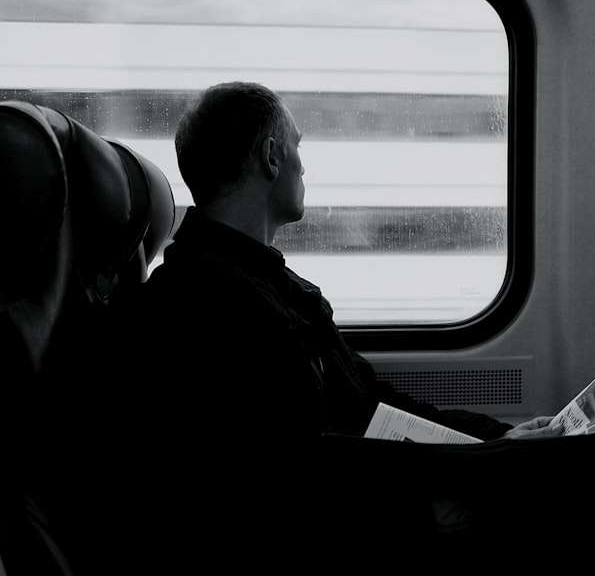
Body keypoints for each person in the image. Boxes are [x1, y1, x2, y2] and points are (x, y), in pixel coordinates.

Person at [90, 81, 561, 571]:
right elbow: (288, 477)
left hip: (351, 506)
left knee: (588, 468)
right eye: (296, 145)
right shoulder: (201, 306)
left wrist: (499, 440)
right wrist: (450, 494)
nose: (303, 163)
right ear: (273, 157)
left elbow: (370, 405)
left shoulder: (271, 285)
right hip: (322, 534)